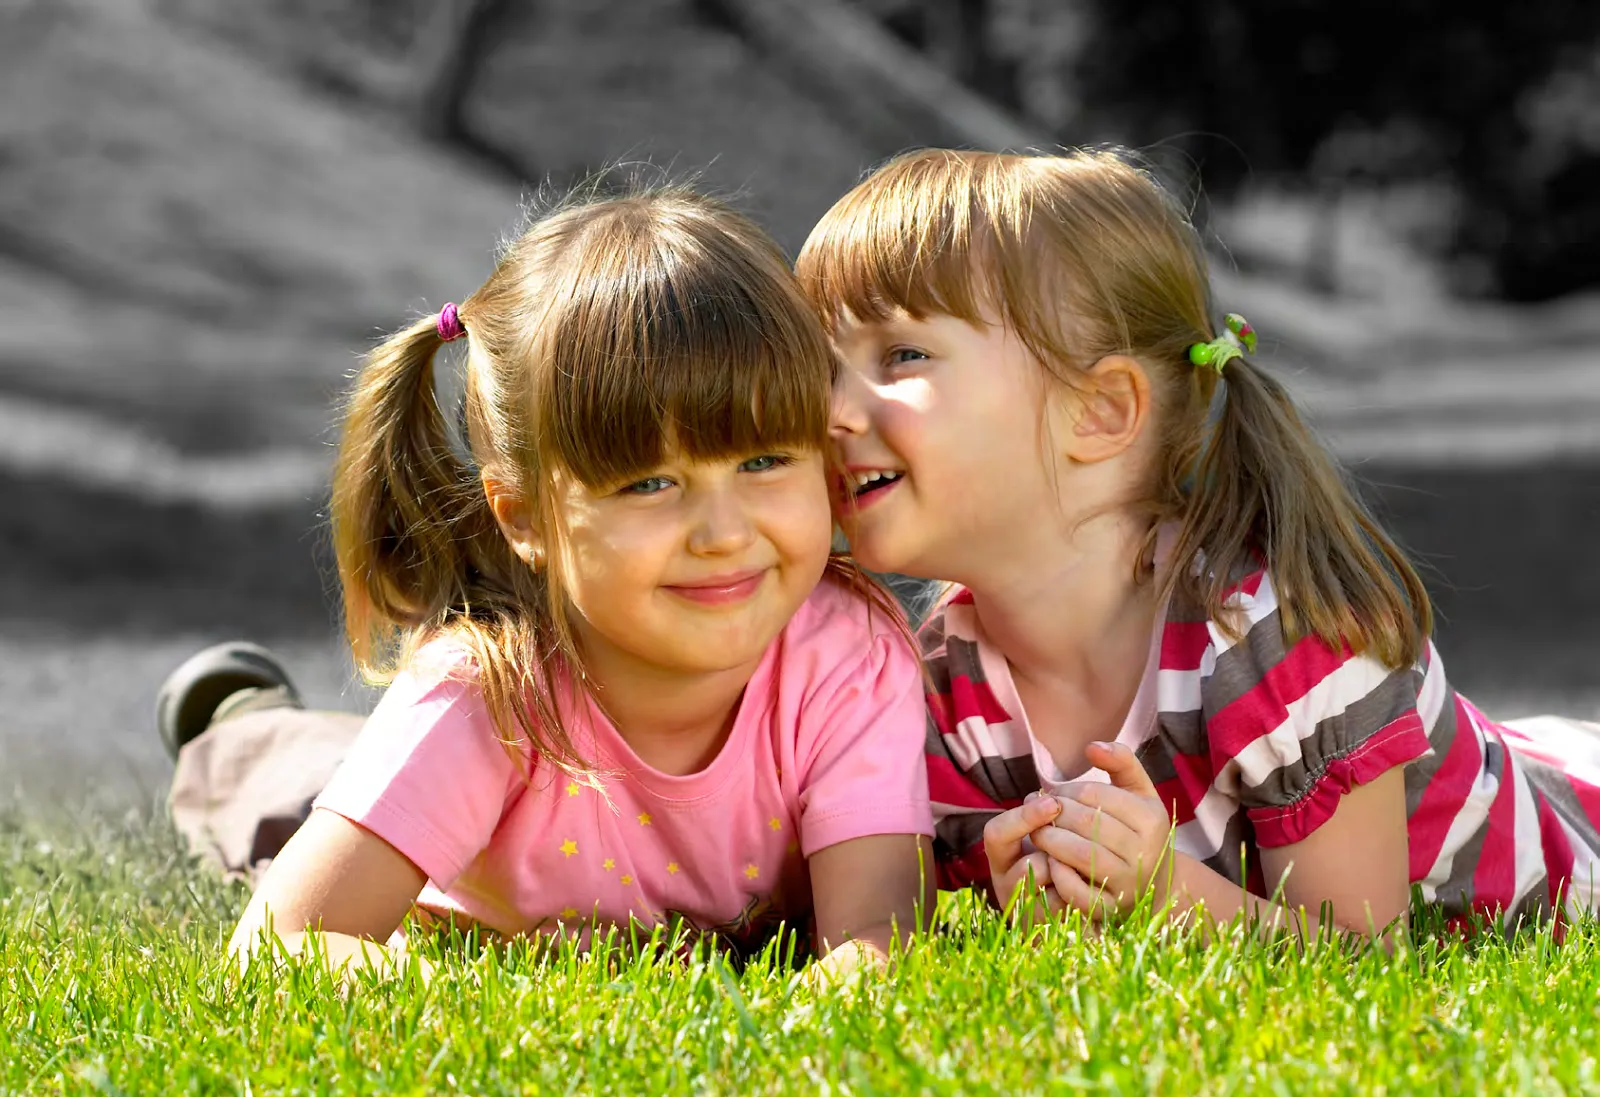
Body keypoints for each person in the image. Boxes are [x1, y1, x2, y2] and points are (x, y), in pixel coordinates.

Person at [796, 146, 1600, 941]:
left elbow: (1364, 956)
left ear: (1102, 411)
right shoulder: (937, 688)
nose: (832, 412)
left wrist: (1163, 894)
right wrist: (1018, 893)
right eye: (827, 369)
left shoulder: (1279, 638)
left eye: (900, 354)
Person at [169, 183, 934, 979]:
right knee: (286, 789)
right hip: (397, 803)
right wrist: (432, 991)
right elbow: (276, 948)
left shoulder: (848, 655)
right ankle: (241, 721)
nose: (726, 534)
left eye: (764, 462)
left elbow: (878, 936)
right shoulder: (485, 697)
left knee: (346, 762)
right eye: (650, 483)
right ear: (525, 516)